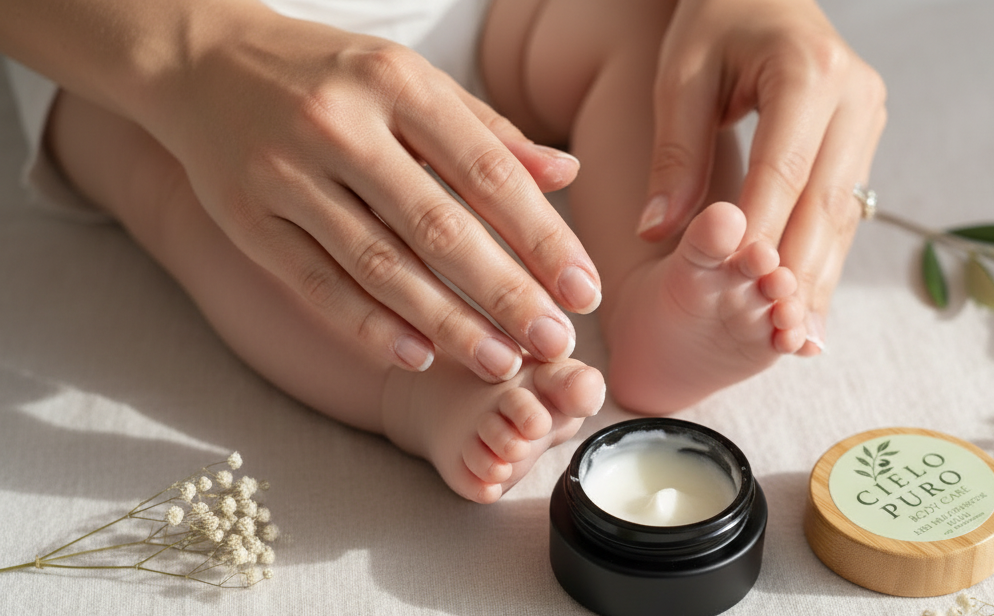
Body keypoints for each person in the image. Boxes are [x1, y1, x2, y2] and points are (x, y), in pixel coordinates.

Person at [0, 0, 885, 503]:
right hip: (132, 46)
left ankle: (657, 288)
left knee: (650, 37)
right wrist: (194, 58)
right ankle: (424, 386)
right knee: (193, 195)